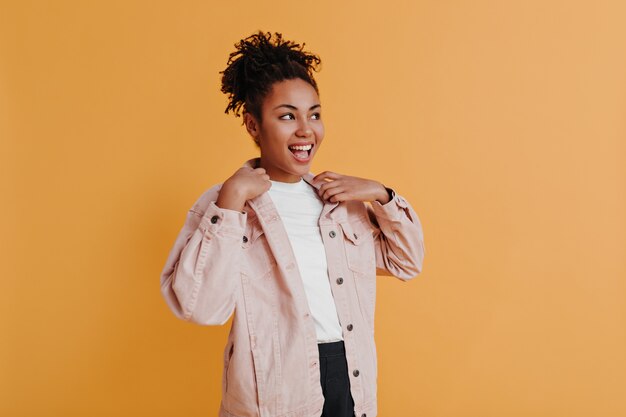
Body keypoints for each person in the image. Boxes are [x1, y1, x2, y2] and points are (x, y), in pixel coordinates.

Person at [160, 31, 425, 417]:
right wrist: (232, 201)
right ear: (253, 126)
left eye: (314, 114)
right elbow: (202, 308)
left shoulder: (338, 202)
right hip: (275, 386)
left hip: (350, 376)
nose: (305, 130)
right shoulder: (226, 206)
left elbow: (406, 262)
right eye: (287, 116)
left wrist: (383, 195)